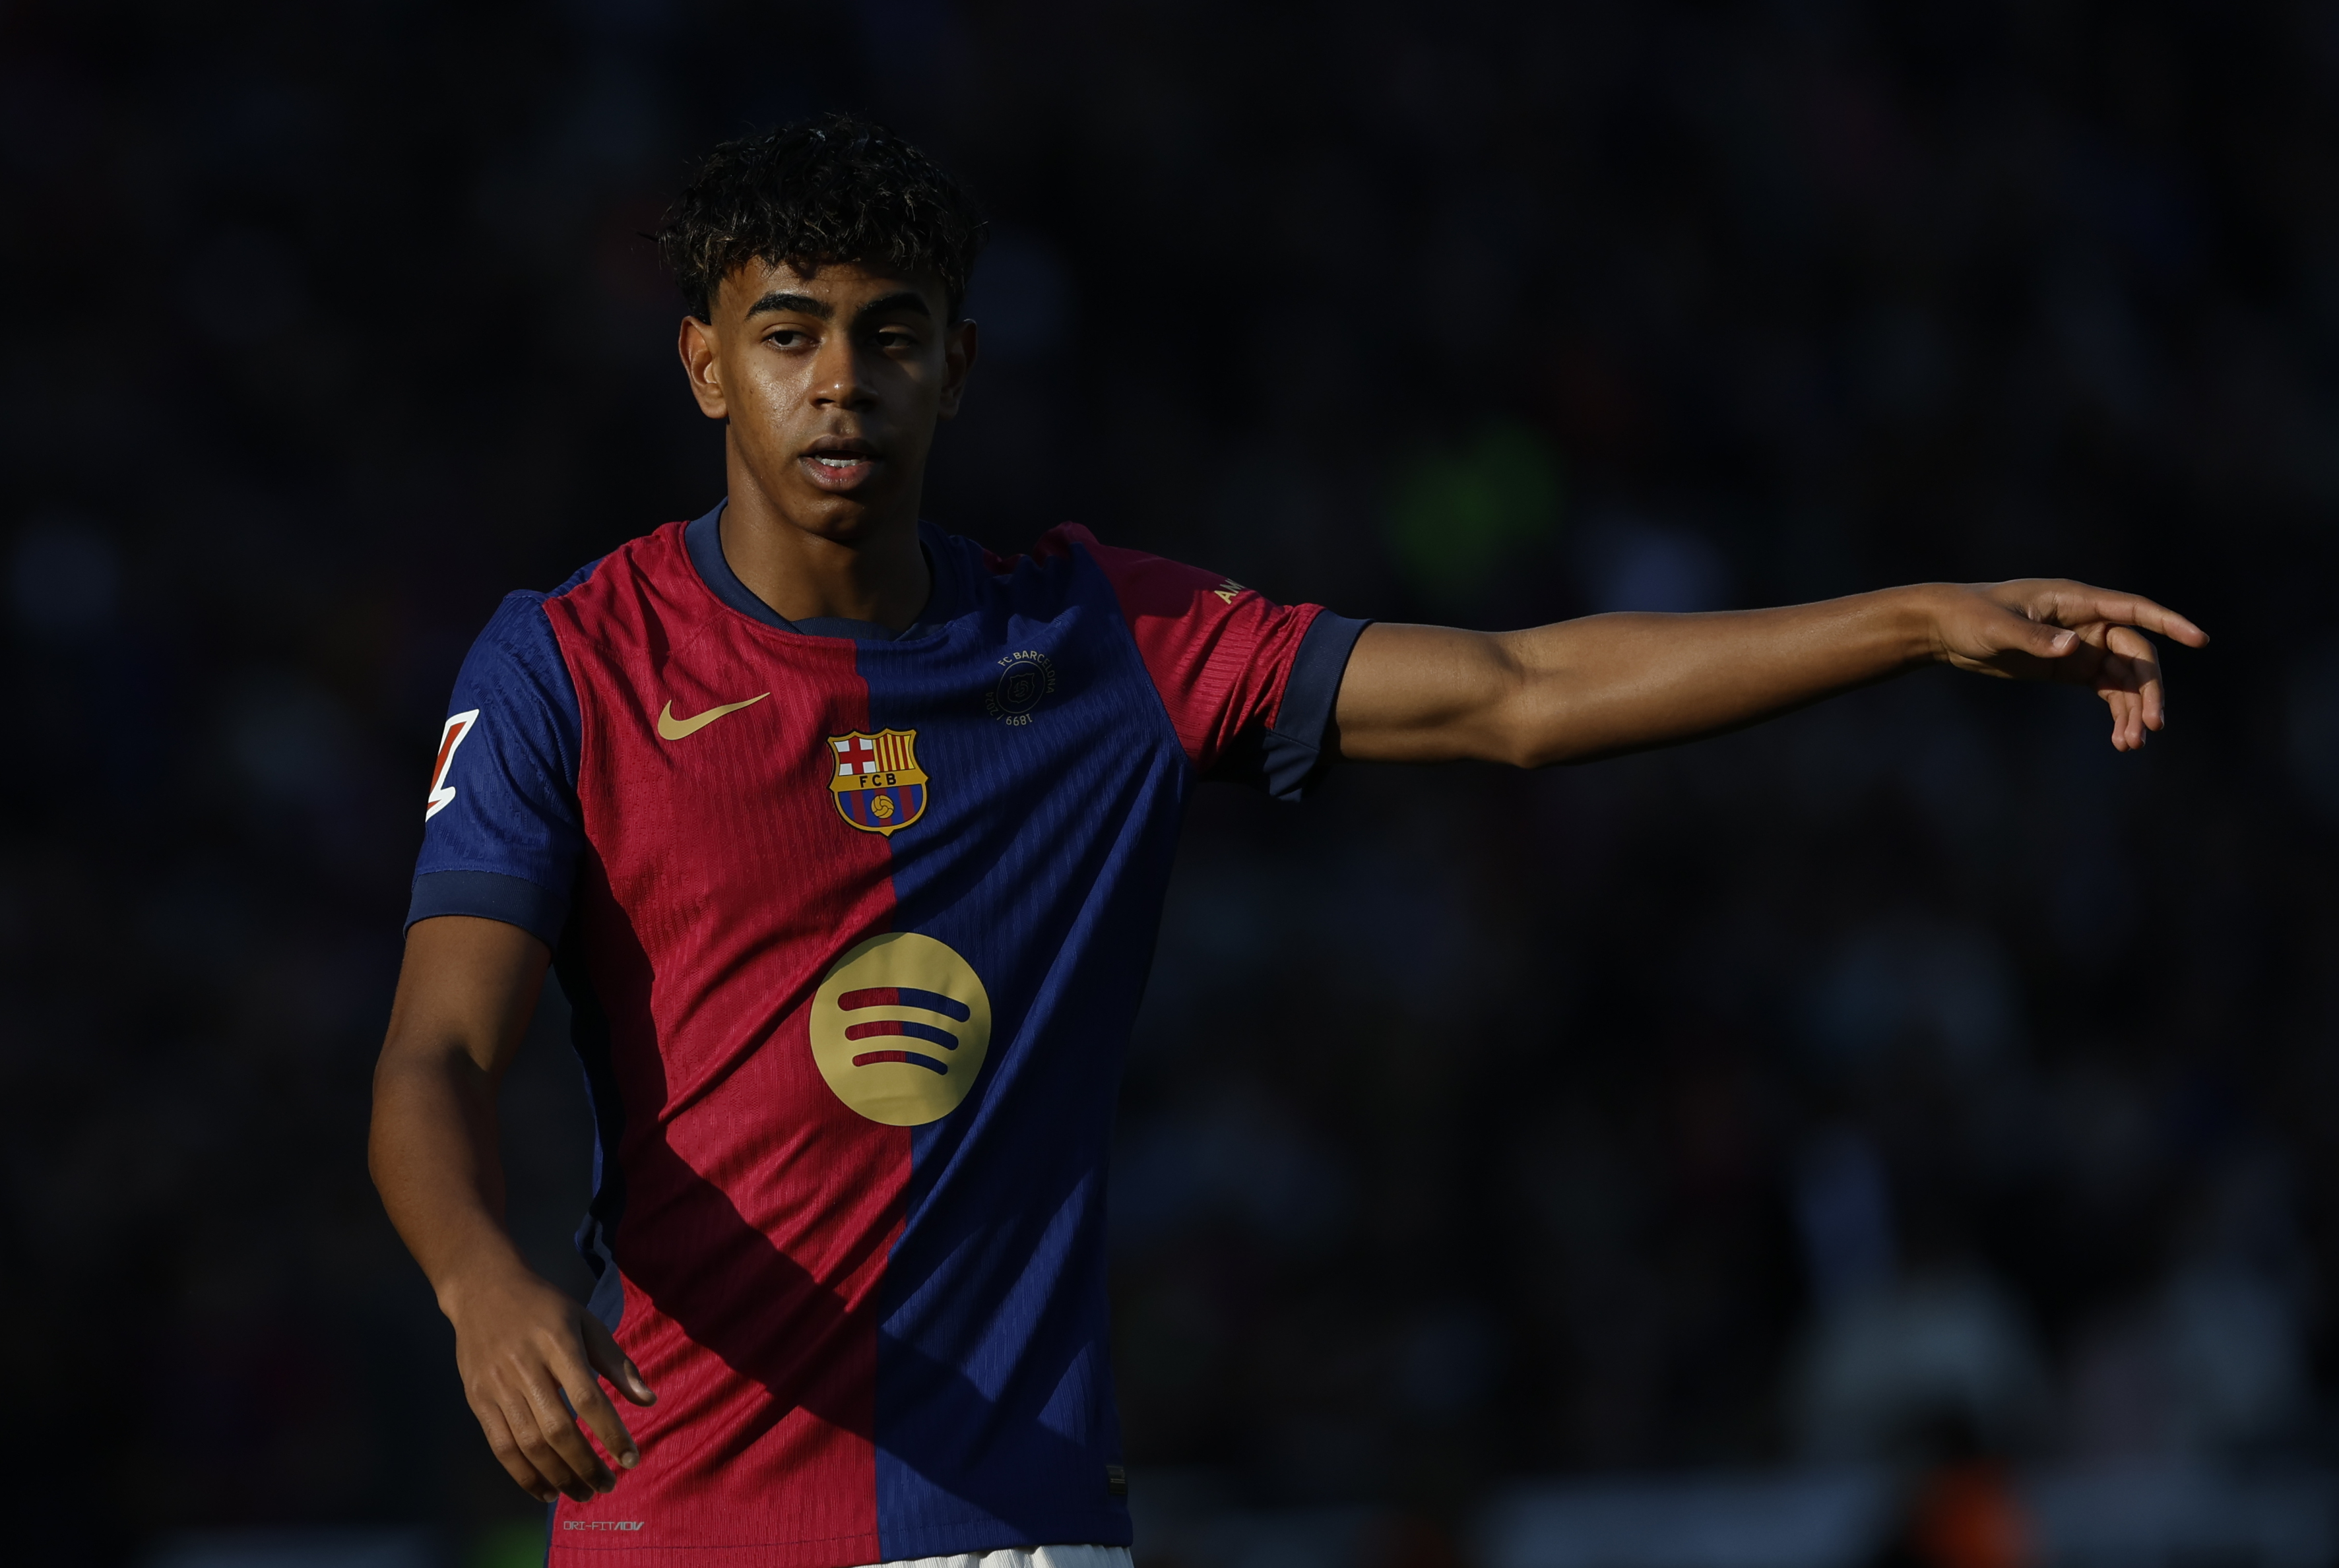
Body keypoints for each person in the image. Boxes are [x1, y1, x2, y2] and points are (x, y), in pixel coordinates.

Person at [367, 114, 2204, 1568]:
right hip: (673, 1521)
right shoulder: (570, 663)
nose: (839, 380)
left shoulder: (1101, 645)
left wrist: (1912, 620)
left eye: (888, 333)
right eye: (788, 335)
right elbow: (439, 1045)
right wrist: (479, 1277)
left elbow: (1513, 688)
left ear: (959, 365)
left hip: (1013, 1534)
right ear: (705, 365)